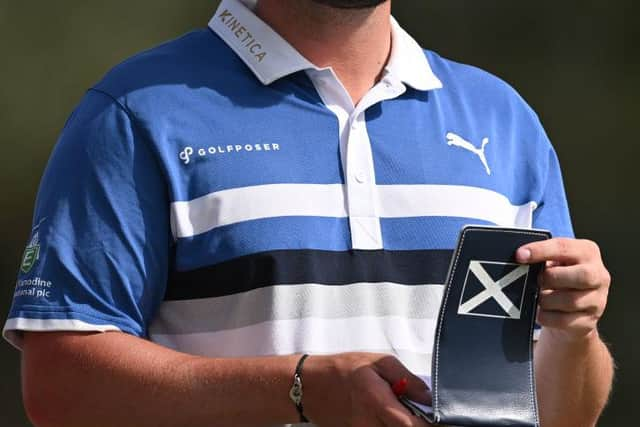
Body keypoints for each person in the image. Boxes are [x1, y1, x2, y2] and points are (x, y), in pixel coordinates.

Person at [4, 0, 613, 426]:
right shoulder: (136, 110)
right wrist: (300, 388)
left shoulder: (501, 118)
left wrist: (572, 332)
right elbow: (59, 385)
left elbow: (559, 414)